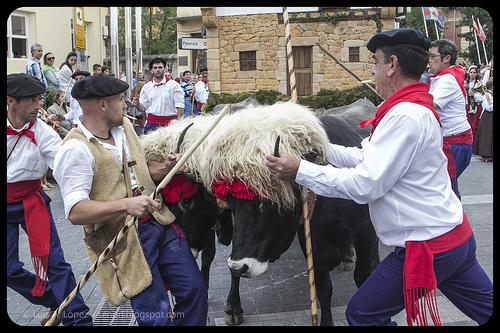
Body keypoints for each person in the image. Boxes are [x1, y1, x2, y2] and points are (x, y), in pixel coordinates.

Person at [266, 28, 493, 327]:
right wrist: (319, 146)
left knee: (362, 314)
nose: (372, 70)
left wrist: (301, 170)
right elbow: (365, 158)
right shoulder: (409, 109)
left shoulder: (405, 116)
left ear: (393, 65)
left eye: (375, 62)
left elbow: (366, 184)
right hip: (453, 240)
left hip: (429, 247)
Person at [52, 75, 207, 325]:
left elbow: (139, 175)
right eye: (120, 99)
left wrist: (166, 168)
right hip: (123, 241)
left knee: (194, 289)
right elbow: (76, 212)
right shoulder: (74, 150)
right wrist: (126, 204)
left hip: (159, 223)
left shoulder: (124, 127)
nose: (125, 104)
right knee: (155, 314)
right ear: (103, 105)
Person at [7, 73, 93, 326]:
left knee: (55, 264)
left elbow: (64, 166)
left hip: (32, 202)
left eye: (40, 99)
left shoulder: (44, 133)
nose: (38, 106)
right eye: (31, 100)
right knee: (8, 270)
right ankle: (58, 302)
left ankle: (78, 319)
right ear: (11, 101)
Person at [428, 39, 472, 200]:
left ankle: (456, 224)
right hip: (453, 142)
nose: (429, 60)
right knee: (446, 190)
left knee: (445, 193)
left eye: (433, 56)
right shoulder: (442, 77)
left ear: (446, 58)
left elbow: (431, 104)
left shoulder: (447, 79)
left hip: (455, 144)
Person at [132, 57, 184, 134]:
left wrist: (180, 125)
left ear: (165, 69)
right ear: (151, 70)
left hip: (170, 125)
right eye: (155, 68)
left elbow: (180, 106)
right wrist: (137, 104)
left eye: (160, 67)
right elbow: (143, 108)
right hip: (151, 125)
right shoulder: (147, 87)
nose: (158, 70)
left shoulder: (174, 85)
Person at [473, 79, 493, 162]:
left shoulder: (489, 95)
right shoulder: (487, 95)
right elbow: (489, 107)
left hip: (490, 116)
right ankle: (486, 154)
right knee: (487, 135)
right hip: (488, 116)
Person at [465, 66, 482, 145]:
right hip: (467, 106)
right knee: (467, 125)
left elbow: (482, 97)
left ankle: (474, 144)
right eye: (471, 72)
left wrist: (474, 94)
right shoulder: (465, 83)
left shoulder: (479, 84)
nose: (472, 74)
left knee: (474, 126)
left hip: (476, 106)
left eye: (474, 72)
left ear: (477, 74)